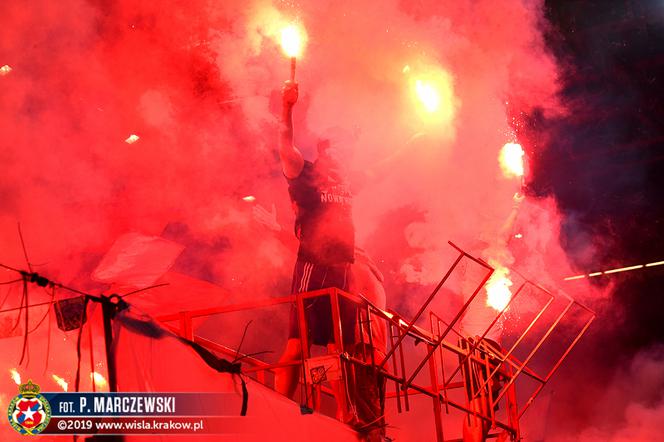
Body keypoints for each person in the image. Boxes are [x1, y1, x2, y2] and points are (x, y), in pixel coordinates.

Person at [274, 80, 357, 422]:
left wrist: (414, 144)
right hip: (313, 263)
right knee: (299, 342)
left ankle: (342, 411)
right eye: (340, 145)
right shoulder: (303, 171)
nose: (346, 151)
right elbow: (284, 144)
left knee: (336, 347)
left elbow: (380, 169)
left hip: (341, 267)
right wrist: (288, 107)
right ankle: (278, 406)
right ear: (325, 149)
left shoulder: (345, 182)